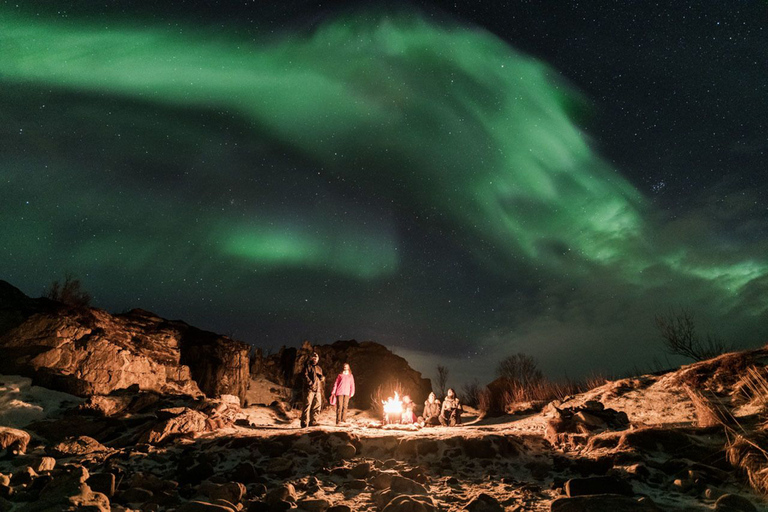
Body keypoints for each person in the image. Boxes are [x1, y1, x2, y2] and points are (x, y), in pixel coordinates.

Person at [301, 352, 325, 428]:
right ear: (311, 358)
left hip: (318, 390)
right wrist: (310, 383)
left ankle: (313, 421)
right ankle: (304, 423)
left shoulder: (319, 368)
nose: (315, 359)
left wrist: (322, 378)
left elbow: (321, 378)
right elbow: (304, 376)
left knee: (317, 406)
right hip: (309, 390)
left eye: (316, 358)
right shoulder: (307, 367)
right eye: (313, 358)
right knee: (307, 406)